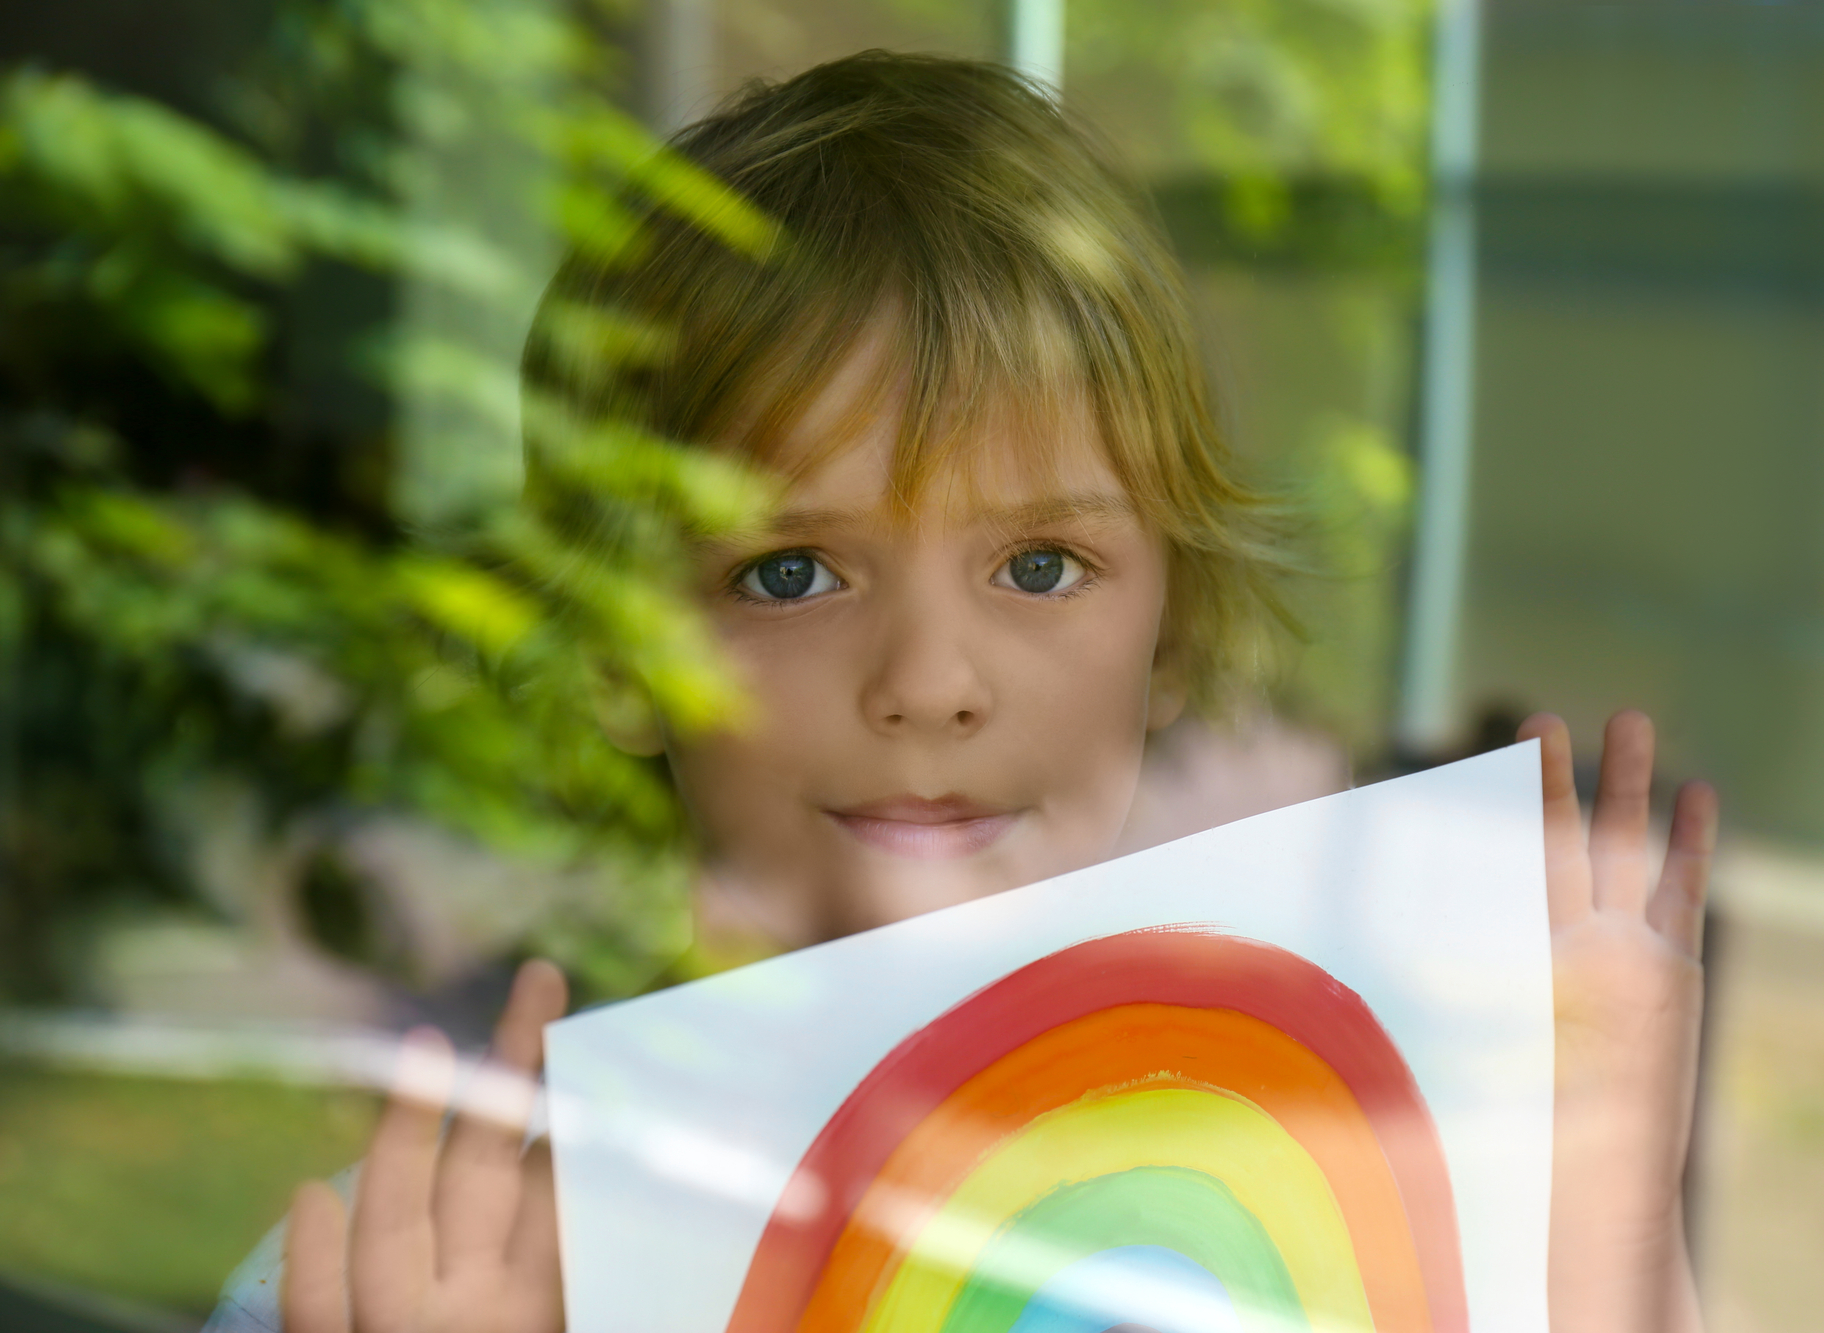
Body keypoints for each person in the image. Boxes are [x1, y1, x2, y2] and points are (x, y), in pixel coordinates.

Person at [264, 53, 1717, 1333]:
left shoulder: (1381, 1200)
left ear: (1179, 632)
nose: (929, 683)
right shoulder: (425, 1276)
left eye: (1036, 563)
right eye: (788, 573)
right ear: (613, 652)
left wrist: (1603, 1241)